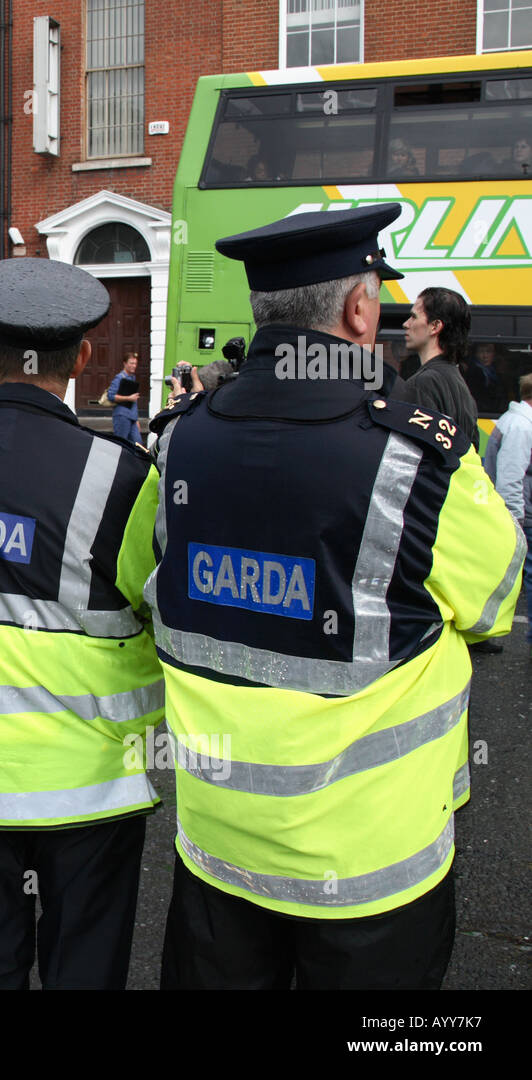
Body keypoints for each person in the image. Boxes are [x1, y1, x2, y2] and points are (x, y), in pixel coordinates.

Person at [147, 204, 525, 990]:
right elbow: (493, 600)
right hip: (371, 869)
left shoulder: (181, 436)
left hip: (219, 850)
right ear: (359, 310)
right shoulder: (413, 451)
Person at [0, 257, 164, 990]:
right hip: (92, 787)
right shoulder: (123, 475)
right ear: (82, 359)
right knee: (85, 970)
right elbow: (157, 605)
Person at [483, 373, 532, 655]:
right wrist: (515, 521)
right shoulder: (522, 427)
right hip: (522, 514)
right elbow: (511, 479)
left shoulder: (513, 421)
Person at [400, 287, 480, 447]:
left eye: (413, 317)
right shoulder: (459, 382)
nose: (405, 324)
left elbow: (415, 454)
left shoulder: (421, 384)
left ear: (435, 326)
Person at [108, 350, 143, 446]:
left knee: (138, 444)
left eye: (135, 363)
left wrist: (136, 420)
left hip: (132, 417)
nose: (134, 366)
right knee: (121, 444)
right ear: (125, 363)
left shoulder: (132, 378)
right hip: (122, 416)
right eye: (131, 363)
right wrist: (128, 398)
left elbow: (134, 402)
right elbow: (110, 396)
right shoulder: (119, 378)